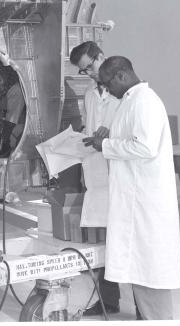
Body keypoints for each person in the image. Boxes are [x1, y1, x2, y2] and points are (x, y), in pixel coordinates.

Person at [84, 57, 180, 320]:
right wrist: (107, 138)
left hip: (146, 201)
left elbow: (145, 147)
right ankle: (145, 316)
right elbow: (131, 140)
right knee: (139, 265)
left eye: (107, 83)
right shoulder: (129, 101)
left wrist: (105, 146)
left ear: (122, 76)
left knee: (149, 265)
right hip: (134, 197)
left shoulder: (144, 101)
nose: (107, 90)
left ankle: (156, 319)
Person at [69, 41, 121, 315]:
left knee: (126, 241)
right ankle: (107, 301)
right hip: (97, 175)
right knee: (103, 240)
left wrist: (108, 136)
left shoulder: (126, 93)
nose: (88, 73)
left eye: (90, 66)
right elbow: (90, 130)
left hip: (120, 175)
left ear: (102, 56)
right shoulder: (91, 94)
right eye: (83, 70)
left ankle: (143, 307)